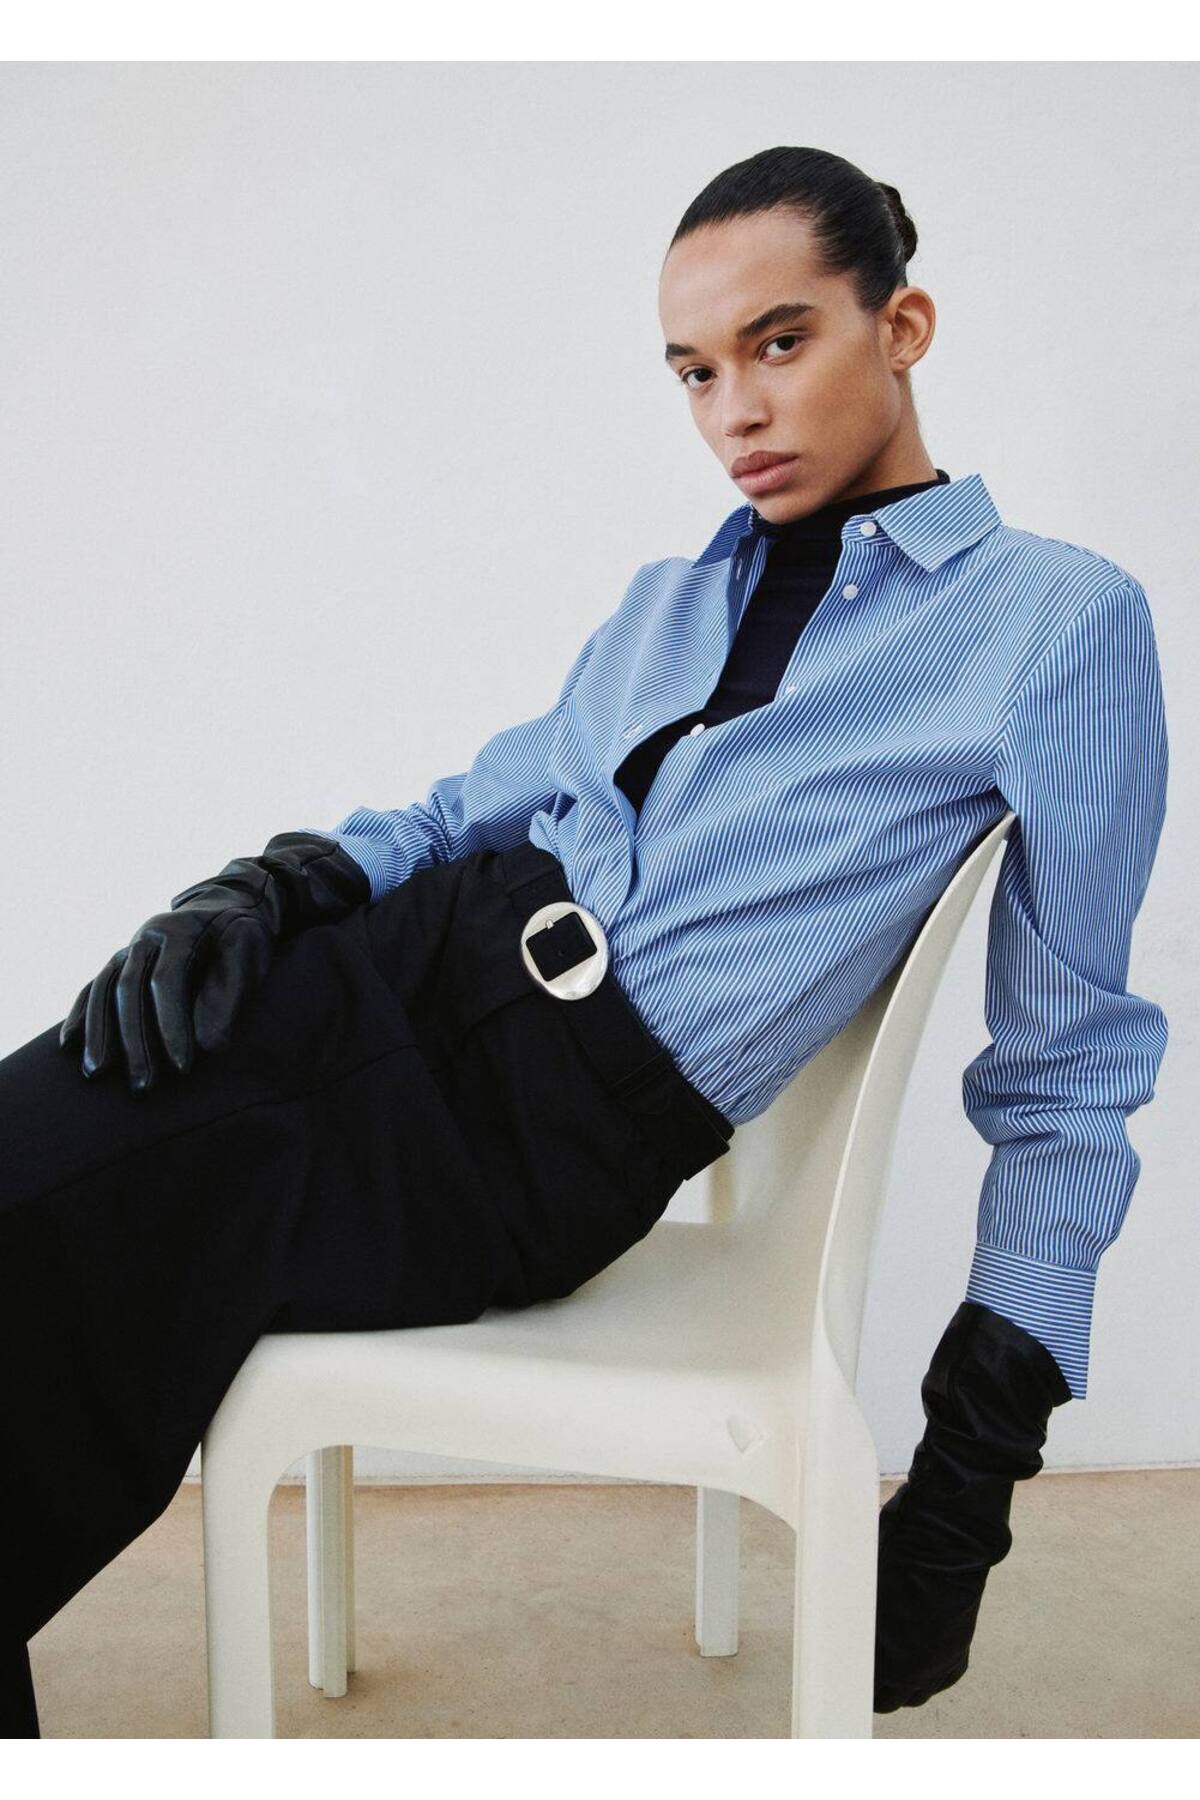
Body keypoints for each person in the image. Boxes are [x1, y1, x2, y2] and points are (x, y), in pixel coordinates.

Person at [0, 144, 1168, 1739]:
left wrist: (972, 1477)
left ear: (902, 327)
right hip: (387, 975)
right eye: (695, 372)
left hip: (523, 1134)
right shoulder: (669, 601)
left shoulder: (1054, 623)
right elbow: (471, 806)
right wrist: (263, 891)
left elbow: (1069, 1066)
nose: (735, 412)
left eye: (778, 342)